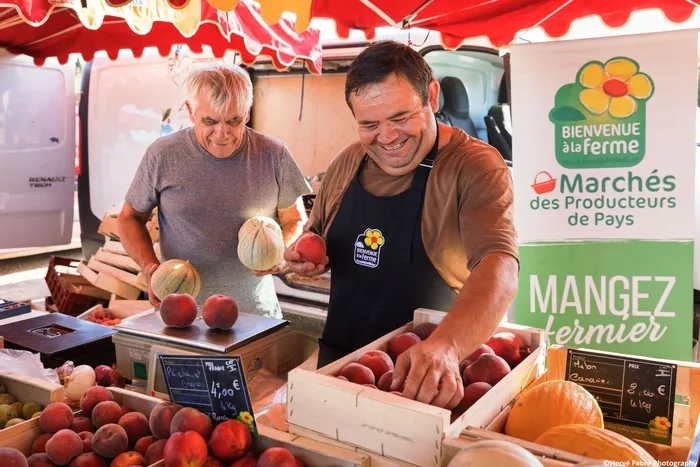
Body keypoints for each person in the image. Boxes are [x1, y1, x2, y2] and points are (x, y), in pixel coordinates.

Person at [284, 41, 519, 409]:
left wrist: (447, 346)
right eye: (370, 124)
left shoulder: (473, 166)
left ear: (433, 96)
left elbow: (500, 266)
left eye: (401, 118)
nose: (388, 137)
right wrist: (307, 251)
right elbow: (317, 233)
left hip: (425, 383)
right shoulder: (349, 161)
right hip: (341, 370)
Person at [118, 63, 312, 319]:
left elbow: (295, 219)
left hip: (255, 315)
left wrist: (281, 252)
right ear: (190, 111)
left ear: (247, 112)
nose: (222, 133)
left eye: (234, 120)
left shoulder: (274, 155)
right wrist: (149, 266)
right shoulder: (163, 155)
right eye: (209, 121)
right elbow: (129, 218)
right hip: (183, 316)